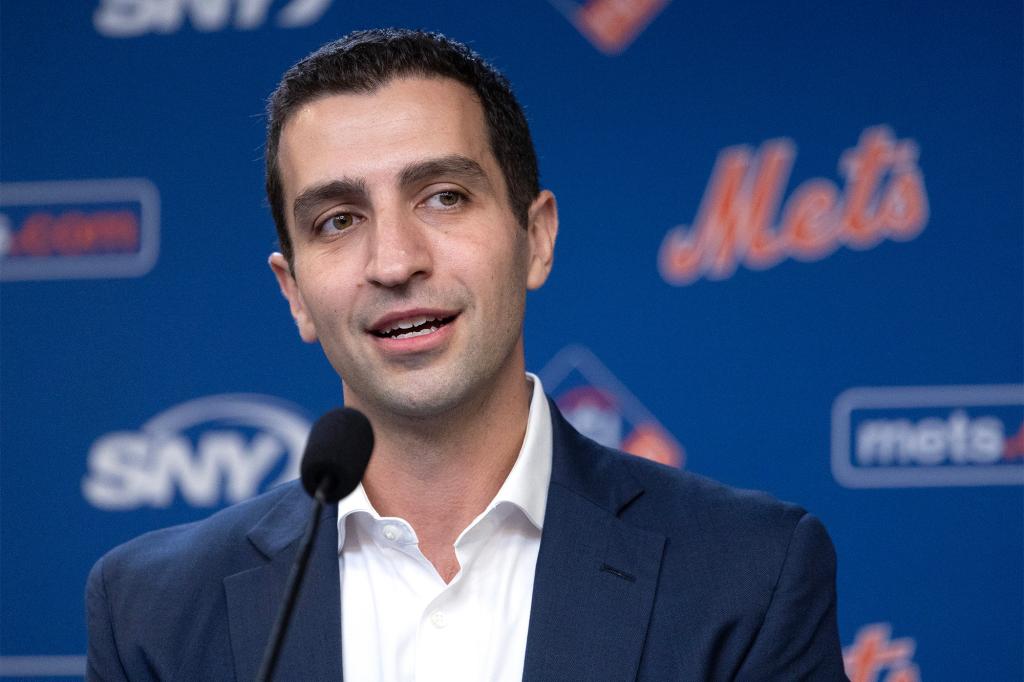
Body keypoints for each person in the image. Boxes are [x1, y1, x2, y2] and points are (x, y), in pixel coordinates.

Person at [86, 28, 848, 681]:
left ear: (537, 239)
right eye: (338, 220)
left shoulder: (750, 574)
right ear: (293, 293)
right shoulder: (151, 611)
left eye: (443, 196)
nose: (394, 260)